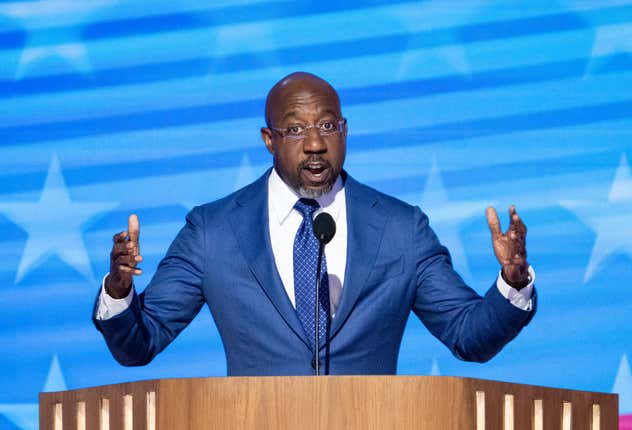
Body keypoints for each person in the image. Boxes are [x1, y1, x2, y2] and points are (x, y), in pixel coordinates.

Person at [93, 72, 536, 376]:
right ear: (269, 140)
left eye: (327, 125)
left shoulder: (402, 229)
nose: (315, 144)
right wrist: (119, 291)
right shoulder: (213, 231)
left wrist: (512, 283)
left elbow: (468, 335)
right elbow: (140, 343)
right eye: (295, 130)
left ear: (345, 131)